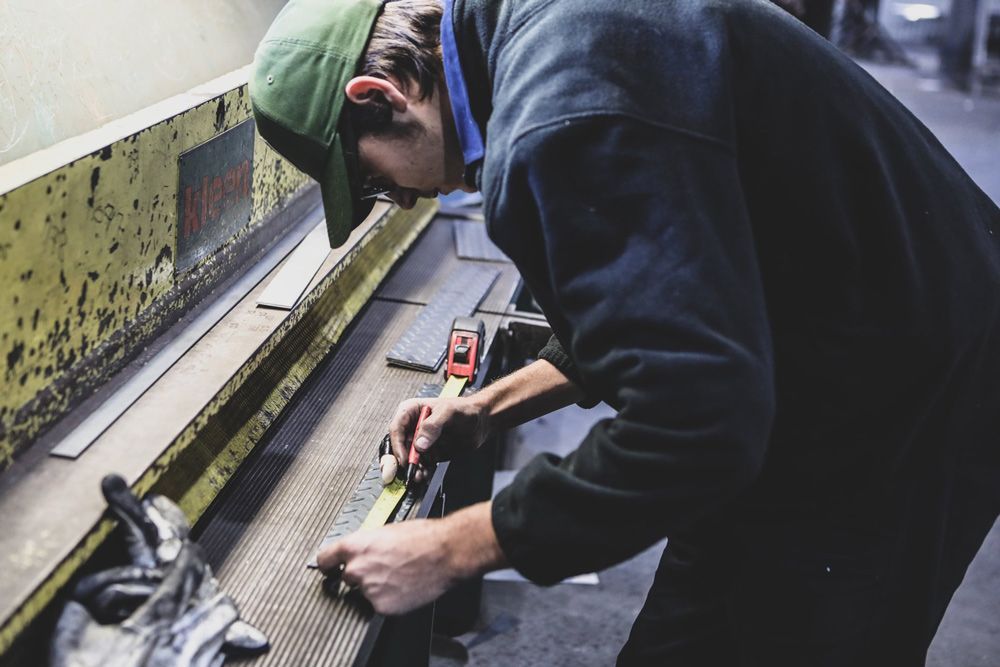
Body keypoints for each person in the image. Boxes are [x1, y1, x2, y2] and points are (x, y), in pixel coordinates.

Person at [248, 0, 1000, 663]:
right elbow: (666, 298)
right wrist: (489, 407)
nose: (403, 201)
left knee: (807, 631)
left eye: (376, 180)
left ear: (381, 94)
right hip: (805, 333)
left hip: (910, 373)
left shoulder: (558, 118)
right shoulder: (534, 33)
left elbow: (700, 422)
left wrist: (448, 548)